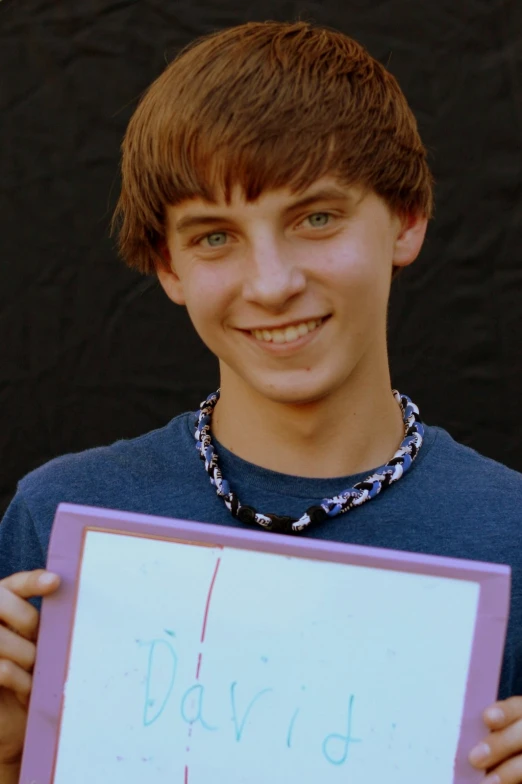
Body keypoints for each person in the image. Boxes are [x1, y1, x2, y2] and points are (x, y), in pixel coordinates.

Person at [0, 19, 521, 784]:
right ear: (168, 267)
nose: (272, 282)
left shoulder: (511, 532)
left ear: (407, 220)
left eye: (316, 218)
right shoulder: (57, 520)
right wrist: (9, 761)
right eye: (214, 237)